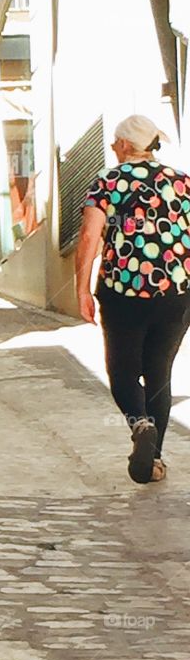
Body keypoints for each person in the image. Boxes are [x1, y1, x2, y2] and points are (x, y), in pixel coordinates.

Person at [76, 114, 190, 483]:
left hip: (123, 292)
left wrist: (81, 289)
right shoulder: (182, 182)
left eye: (114, 141)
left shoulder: (108, 182)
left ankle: (140, 424)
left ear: (125, 145)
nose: (112, 146)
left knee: (122, 372)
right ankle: (154, 461)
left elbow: (89, 239)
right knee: (159, 373)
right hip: (176, 292)